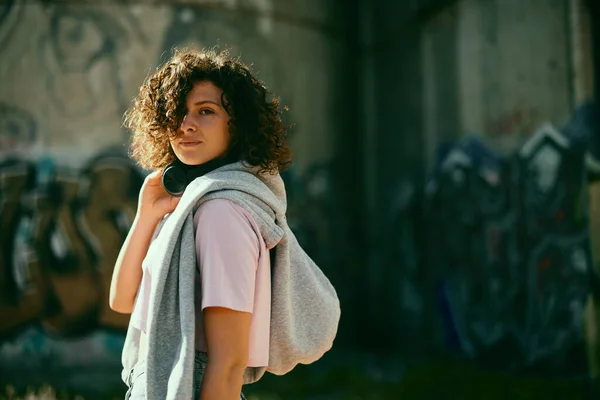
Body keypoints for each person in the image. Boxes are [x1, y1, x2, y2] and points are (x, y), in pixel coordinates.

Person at [109, 48, 340, 400]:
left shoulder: (222, 213)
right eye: (178, 112)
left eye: (206, 112)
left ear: (239, 125)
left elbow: (229, 361)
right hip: (162, 379)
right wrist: (146, 217)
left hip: (191, 384)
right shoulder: (185, 209)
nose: (186, 124)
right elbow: (122, 301)